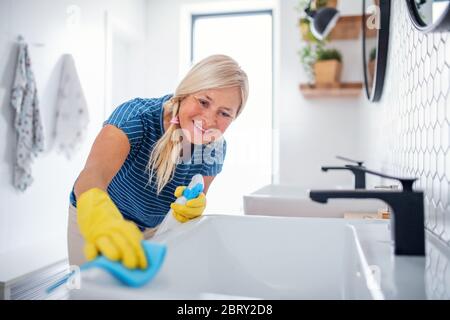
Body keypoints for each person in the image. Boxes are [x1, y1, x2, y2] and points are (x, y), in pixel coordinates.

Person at [67, 55, 249, 268]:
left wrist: (192, 207)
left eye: (224, 113)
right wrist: (99, 216)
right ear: (184, 92)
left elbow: (197, 194)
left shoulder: (216, 147)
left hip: (155, 231)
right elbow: (92, 174)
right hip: (98, 223)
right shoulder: (137, 117)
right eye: (203, 101)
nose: (209, 120)